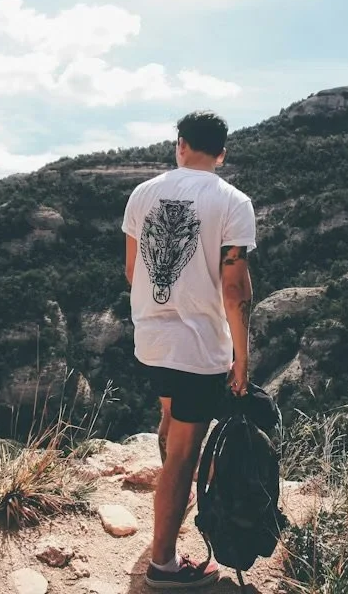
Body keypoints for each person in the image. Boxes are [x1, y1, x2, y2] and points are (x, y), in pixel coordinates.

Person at [121, 110, 256, 589]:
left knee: (170, 423)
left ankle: (167, 511)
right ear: (222, 152)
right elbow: (235, 289)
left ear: (180, 144)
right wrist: (241, 359)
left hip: (152, 340)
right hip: (199, 346)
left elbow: (133, 271)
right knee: (184, 453)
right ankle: (163, 563)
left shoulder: (142, 194)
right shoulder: (233, 202)